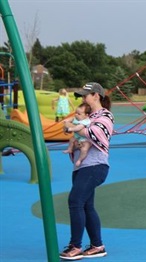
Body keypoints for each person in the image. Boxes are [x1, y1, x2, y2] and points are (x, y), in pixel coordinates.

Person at [59, 82, 114, 260]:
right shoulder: (86, 116)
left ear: (96, 96)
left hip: (95, 166)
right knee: (86, 205)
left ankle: (75, 246)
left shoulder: (105, 115)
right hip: (82, 166)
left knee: (75, 200)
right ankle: (97, 245)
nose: (83, 99)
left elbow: (95, 132)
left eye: (86, 95)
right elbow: (78, 131)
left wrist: (74, 127)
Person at [63, 103, 92, 167]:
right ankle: (70, 149)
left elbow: (78, 128)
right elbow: (72, 119)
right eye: (76, 112)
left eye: (79, 114)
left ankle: (80, 160)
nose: (76, 115)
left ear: (86, 115)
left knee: (84, 149)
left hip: (85, 140)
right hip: (77, 137)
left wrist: (70, 129)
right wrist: (66, 120)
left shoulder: (85, 121)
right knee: (71, 140)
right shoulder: (76, 118)